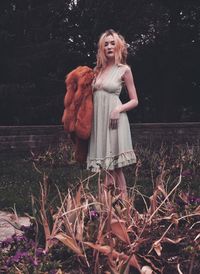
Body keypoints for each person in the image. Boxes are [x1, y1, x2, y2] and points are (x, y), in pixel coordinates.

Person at [87, 29, 138, 197]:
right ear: (102, 48)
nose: (109, 46)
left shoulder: (124, 70)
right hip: (99, 122)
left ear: (119, 46)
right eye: (105, 44)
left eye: (112, 43)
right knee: (107, 169)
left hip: (115, 120)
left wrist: (118, 109)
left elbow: (134, 100)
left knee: (116, 168)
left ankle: (121, 209)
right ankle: (107, 212)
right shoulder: (97, 70)